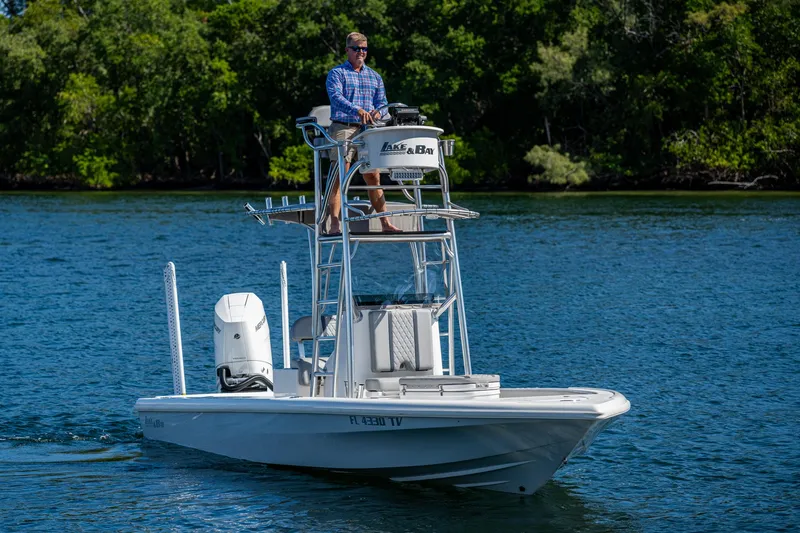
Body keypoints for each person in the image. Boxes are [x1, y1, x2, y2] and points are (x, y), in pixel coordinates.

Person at [325, 32, 400, 234]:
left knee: (373, 177)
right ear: (347, 50)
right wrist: (357, 110)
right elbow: (336, 97)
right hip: (343, 126)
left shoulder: (375, 76)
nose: (361, 53)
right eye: (357, 49)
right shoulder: (337, 73)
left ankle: (385, 223)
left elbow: (383, 104)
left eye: (364, 49)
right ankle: (334, 223)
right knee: (340, 174)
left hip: (368, 130)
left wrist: (378, 112)